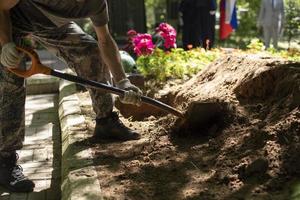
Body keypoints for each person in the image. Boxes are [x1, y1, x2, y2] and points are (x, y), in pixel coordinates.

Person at [0, 0, 142, 193]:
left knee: (90, 52)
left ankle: (106, 120)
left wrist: (122, 81)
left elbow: (105, 40)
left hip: (50, 25)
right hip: (9, 21)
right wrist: (6, 43)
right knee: (11, 76)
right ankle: (5, 160)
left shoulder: (96, 4)